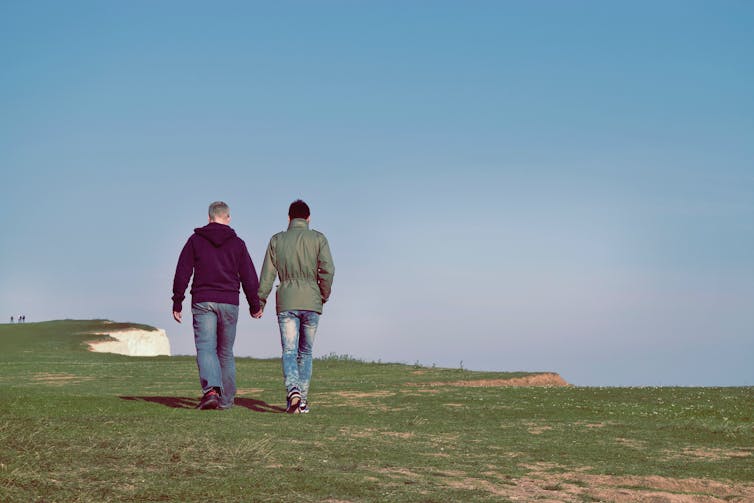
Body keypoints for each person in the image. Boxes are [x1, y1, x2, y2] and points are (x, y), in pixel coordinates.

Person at [172, 201, 262, 410]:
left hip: (203, 300)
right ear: (228, 218)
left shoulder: (195, 240)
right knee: (225, 351)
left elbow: (182, 271)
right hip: (229, 301)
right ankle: (226, 401)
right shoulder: (238, 244)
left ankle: (211, 391)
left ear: (209, 217)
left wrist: (178, 301)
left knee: (206, 347)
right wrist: (254, 305)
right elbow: (249, 276)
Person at [256, 199, 335, 414]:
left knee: (289, 351)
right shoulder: (319, 239)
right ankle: (302, 401)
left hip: (287, 302)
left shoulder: (276, 240)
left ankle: (293, 391)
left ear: (289, 218)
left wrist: (260, 300)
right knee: (306, 353)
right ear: (308, 218)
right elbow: (328, 269)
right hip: (312, 301)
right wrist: (323, 295)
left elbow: (267, 274)